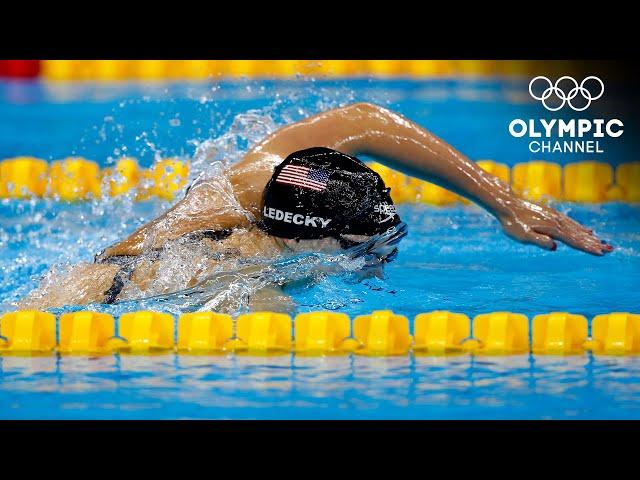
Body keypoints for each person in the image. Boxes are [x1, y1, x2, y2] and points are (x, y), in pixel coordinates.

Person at [17, 102, 612, 311]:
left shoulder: (274, 168)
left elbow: (368, 121)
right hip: (101, 288)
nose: (378, 257)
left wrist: (503, 203)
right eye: (359, 248)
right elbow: (256, 313)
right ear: (307, 238)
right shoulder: (232, 254)